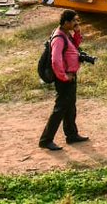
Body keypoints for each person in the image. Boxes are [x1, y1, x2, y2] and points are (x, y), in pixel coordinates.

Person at [39, 9, 88, 151]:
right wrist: (64, 76)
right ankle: (46, 140)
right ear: (66, 22)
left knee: (70, 106)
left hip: (70, 76)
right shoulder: (59, 38)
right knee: (59, 109)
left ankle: (72, 134)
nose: (76, 23)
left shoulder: (66, 34)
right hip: (64, 78)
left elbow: (74, 48)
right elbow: (55, 60)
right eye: (74, 21)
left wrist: (77, 33)